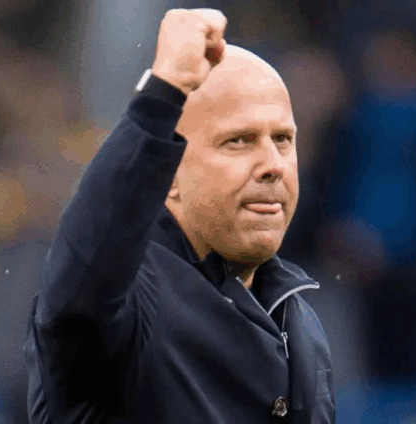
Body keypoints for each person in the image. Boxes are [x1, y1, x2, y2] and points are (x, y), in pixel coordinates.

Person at [22, 8, 335, 423]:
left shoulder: (301, 319)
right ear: (168, 174)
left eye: (282, 139)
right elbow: (85, 266)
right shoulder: (124, 303)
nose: (272, 164)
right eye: (237, 141)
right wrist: (162, 94)